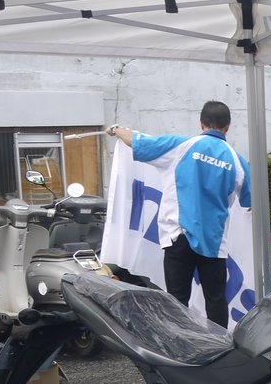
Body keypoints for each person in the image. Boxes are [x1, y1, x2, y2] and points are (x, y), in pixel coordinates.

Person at [106, 100, 251, 327]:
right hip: (214, 242)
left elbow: (138, 141)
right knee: (215, 299)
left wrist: (116, 130)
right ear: (228, 126)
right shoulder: (238, 162)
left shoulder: (180, 146)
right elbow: (251, 202)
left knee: (177, 300)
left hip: (178, 236)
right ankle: (220, 344)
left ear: (201, 123)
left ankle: (178, 343)